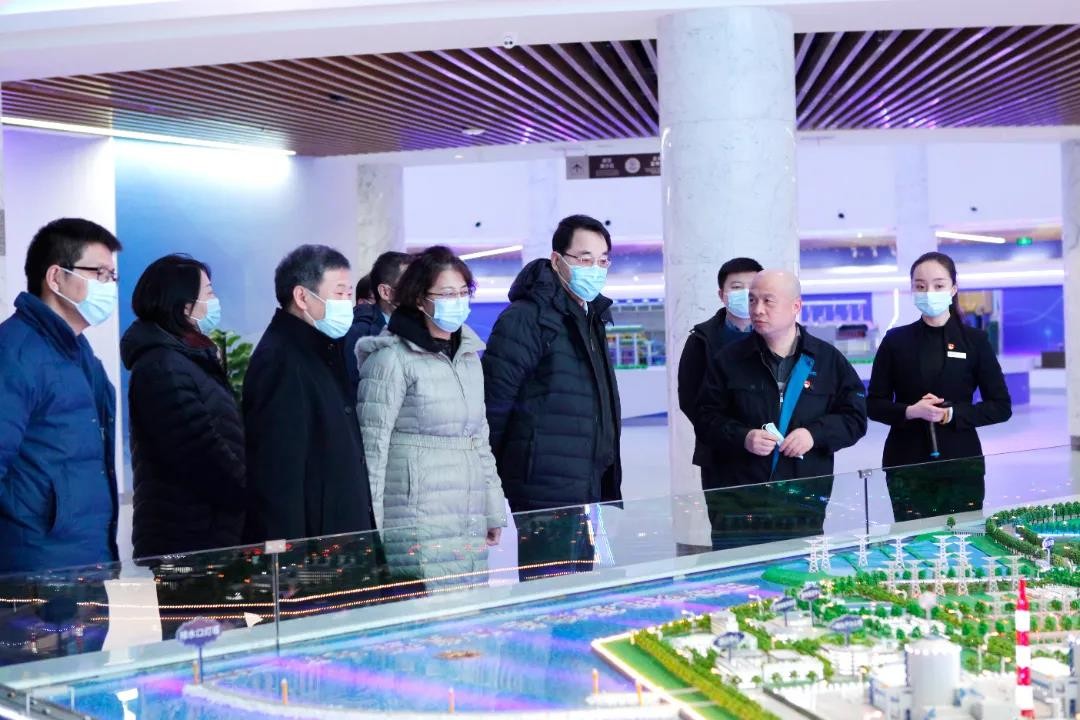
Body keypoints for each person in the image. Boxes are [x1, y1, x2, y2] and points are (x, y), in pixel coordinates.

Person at [356, 246, 506, 585]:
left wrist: (493, 509)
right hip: (414, 516)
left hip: (466, 512)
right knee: (425, 606)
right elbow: (372, 450)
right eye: (446, 293)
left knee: (468, 605)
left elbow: (479, 438)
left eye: (463, 292)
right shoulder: (391, 359)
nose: (458, 301)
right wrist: (371, 532)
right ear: (419, 298)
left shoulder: (469, 357)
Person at [483, 214, 621, 579]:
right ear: (557, 260)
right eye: (585, 259)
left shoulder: (589, 317)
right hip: (543, 486)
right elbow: (494, 407)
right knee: (550, 588)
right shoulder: (526, 318)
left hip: (583, 482)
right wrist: (487, 490)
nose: (595, 269)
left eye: (603, 260)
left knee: (579, 584)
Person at [695, 270, 867, 548]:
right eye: (752, 300)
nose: (757, 310)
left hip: (802, 500)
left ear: (796, 306)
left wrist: (814, 434)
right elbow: (705, 418)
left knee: (798, 571)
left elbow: (855, 417)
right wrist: (743, 437)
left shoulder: (827, 361)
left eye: (768, 301)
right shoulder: (728, 360)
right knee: (738, 571)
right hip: (738, 501)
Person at [0, 218, 122, 573]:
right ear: (56, 278)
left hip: (86, 557)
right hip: (36, 567)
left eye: (112, 276)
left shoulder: (78, 351)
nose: (108, 286)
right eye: (99, 273)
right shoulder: (14, 353)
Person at [868, 251, 1011, 522]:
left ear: (953, 288)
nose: (929, 293)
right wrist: (910, 411)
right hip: (906, 462)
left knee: (963, 538)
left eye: (938, 285)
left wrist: (951, 414)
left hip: (961, 461)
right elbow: (874, 404)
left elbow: (1001, 406)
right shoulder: (895, 341)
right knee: (914, 539)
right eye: (920, 286)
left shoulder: (975, 341)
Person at [243, 245, 373, 542]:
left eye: (349, 294)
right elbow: (276, 472)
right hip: (315, 543)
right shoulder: (280, 360)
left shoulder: (323, 349)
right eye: (339, 294)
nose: (347, 303)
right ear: (302, 297)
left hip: (338, 531)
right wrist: (287, 556)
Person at [120, 254, 245, 558]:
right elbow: (200, 454)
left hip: (208, 531)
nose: (215, 301)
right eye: (209, 293)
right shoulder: (163, 367)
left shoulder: (188, 359)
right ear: (185, 306)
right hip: (187, 540)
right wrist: (251, 492)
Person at [677, 257, 763, 490]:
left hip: (771, 450)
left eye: (752, 287)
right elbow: (690, 399)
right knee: (726, 513)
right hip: (720, 455)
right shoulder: (701, 340)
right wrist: (734, 435)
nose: (745, 293)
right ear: (721, 294)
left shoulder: (778, 335)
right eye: (736, 287)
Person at [345, 251, 412, 398]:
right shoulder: (360, 335)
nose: (418, 292)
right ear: (385, 292)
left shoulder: (428, 328)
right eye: (410, 285)